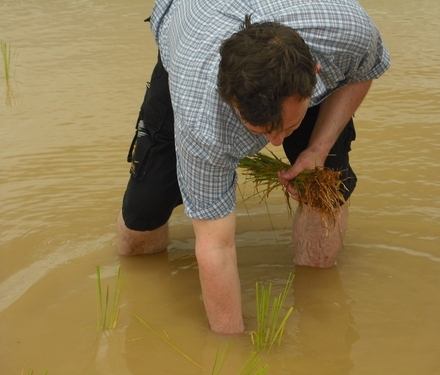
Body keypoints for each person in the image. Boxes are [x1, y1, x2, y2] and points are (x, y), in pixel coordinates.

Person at [116, 0, 390, 334]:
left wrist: (318, 148)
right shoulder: (203, 115)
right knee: (142, 219)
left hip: (305, 43)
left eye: (285, 128)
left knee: (325, 186)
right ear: (228, 99)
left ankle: (319, 309)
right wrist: (232, 348)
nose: (275, 143)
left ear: (315, 74)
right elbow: (215, 245)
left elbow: (362, 72)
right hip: (192, 26)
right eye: (260, 131)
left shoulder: (347, 33)